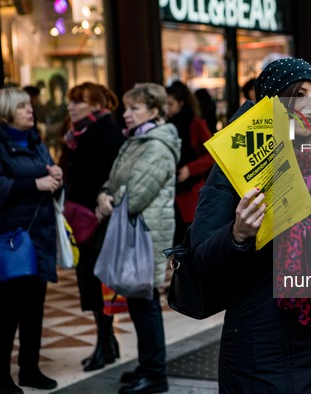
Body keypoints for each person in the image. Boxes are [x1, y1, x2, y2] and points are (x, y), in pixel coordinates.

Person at [191, 58, 311, 393]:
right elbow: (202, 260)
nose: (310, 104)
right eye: (299, 95)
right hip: (256, 343)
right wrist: (236, 234)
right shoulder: (234, 166)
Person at [96, 83, 180, 394]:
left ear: (155, 110)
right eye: (126, 108)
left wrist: (110, 201)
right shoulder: (136, 140)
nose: (127, 114)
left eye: (135, 108)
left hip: (145, 234)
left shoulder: (156, 144)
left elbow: (137, 193)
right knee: (138, 302)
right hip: (132, 231)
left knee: (146, 304)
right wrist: (105, 194)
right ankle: (148, 365)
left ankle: (156, 374)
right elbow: (116, 179)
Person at [0, 87, 63, 394]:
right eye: (23, 107)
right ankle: (0, 378)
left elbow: (45, 177)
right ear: (5, 112)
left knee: (35, 306)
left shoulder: (34, 140)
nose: (31, 110)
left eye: (30, 106)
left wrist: (55, 176)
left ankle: (30, 369)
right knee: (9, 308)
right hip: (10, 238)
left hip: (38, 234)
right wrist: (36, 183)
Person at [64, 82, 126, 372]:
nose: (71, 107)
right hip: (80, 217)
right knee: (88, 281)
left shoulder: (107, 131)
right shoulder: (75, 134)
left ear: (96, 106)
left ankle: (105, 341)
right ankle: (107, 341)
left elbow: (117, 174)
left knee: (100, 281)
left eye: (78, 102)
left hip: (100, 218)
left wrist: (102, 198)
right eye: (71, 102)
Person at [166, 81, 214, 245]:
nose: (167, 109)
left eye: (170, 104)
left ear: (181, 103)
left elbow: (213, 154)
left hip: (191, 189)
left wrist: (190, 169)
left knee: (191, 238)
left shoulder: (196, 124)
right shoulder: (164, 125)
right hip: (169, 188)